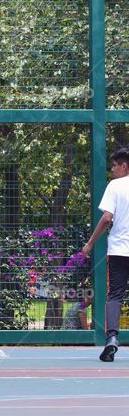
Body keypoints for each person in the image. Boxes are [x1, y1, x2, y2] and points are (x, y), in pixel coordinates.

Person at [80, 147, 129, 362]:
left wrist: (90, 243)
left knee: (115, 295)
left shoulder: (115, 186)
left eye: (114, 166)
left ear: (124, 166)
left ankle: (112, 339)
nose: (112, 170)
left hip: (120, 250)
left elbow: (107, 217)